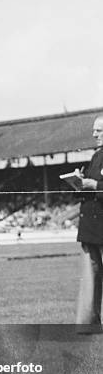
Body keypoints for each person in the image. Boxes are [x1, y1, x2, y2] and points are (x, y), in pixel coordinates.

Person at [75, 115, 103, 333]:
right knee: (90, 277)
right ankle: (88, 324)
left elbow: (97, 185)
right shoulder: (96, 156)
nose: (94, 134)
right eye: (95, 130)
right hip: (91, 227)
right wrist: (79, 181)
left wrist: (93, 184)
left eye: (99, 130)